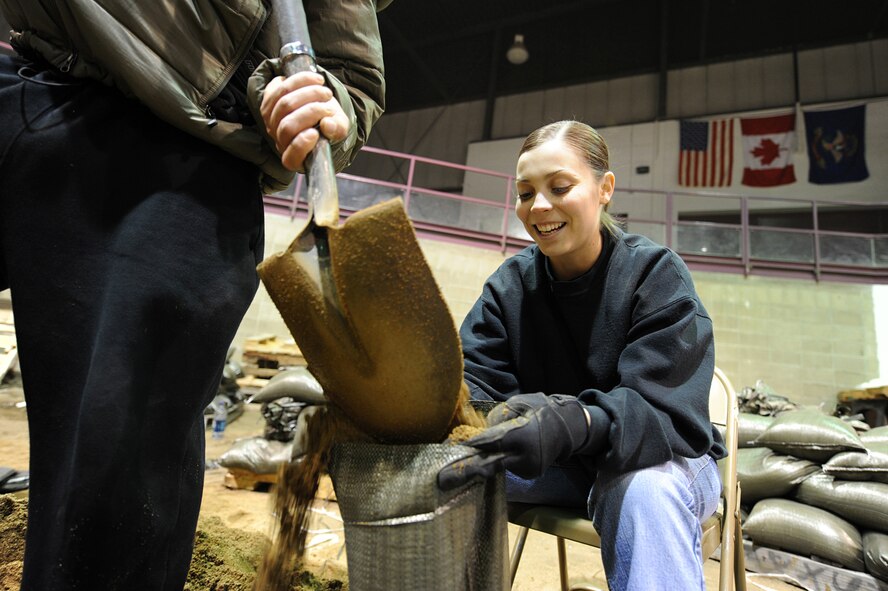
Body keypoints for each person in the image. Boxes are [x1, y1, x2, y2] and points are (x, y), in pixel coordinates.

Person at [0, 1, 387, 589]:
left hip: (179, 146)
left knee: (111, 461)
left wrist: (317, 97)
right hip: (29, 75)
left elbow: (352, 81)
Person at [446, 120, 727, 590]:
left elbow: (664, 414)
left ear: (605, 188)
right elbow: (473, 384)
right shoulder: (509, 287)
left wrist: (576, 421)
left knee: (641, 490)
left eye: (559, 187)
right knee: (439, 466)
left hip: (660, 459)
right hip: (561, 468)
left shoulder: (655, 275)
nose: (539, 207)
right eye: (524, 192)